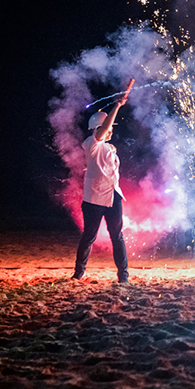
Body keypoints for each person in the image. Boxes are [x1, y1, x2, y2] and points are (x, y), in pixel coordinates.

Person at [73, 97, 130, 283]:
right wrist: (117, 106)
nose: (111, 128)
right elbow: (104, 129)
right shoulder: (91, 143)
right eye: (107, 126)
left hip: (113, 196)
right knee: (89, 236)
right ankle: (79, 272)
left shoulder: (109, 147)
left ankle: (123, 276)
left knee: (117, 236)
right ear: (98, 128)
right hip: (94, 199)